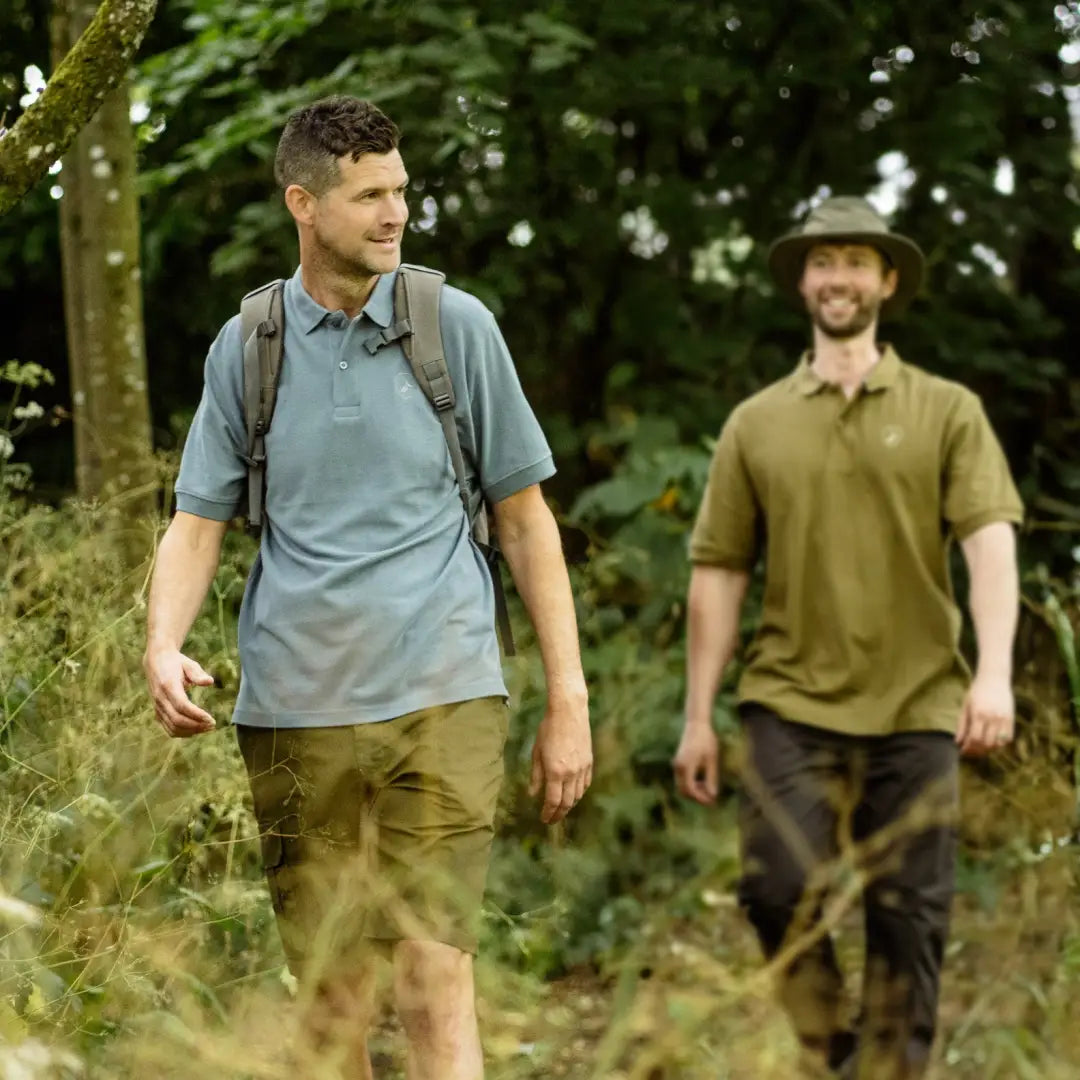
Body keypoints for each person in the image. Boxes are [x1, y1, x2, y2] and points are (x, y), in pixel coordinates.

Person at [143, 96, 592, 1080]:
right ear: (304, 204)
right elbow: (197, 522)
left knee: (435, 976)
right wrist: (163, 643)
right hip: (295, 706)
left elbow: (524, 520)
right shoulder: (248, 347)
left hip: (444, 688)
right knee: (336, 997)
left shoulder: (452, 327)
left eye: (402, 191)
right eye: (370, 195)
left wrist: (569, 697)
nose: (396, 214)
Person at [673, 196, 1022, 1079]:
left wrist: (994, 679)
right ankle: (831, 1052)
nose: (840, 278)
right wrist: (697, 716)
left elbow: (989, 546)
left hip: (917, 706)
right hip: (790, 701)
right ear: (802, 281)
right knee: (774, 891)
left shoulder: (948, 410)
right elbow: (718, 570)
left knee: (911, 919)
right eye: (824, 262)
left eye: (857, 262)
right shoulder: (757, 422)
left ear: (886, 280)